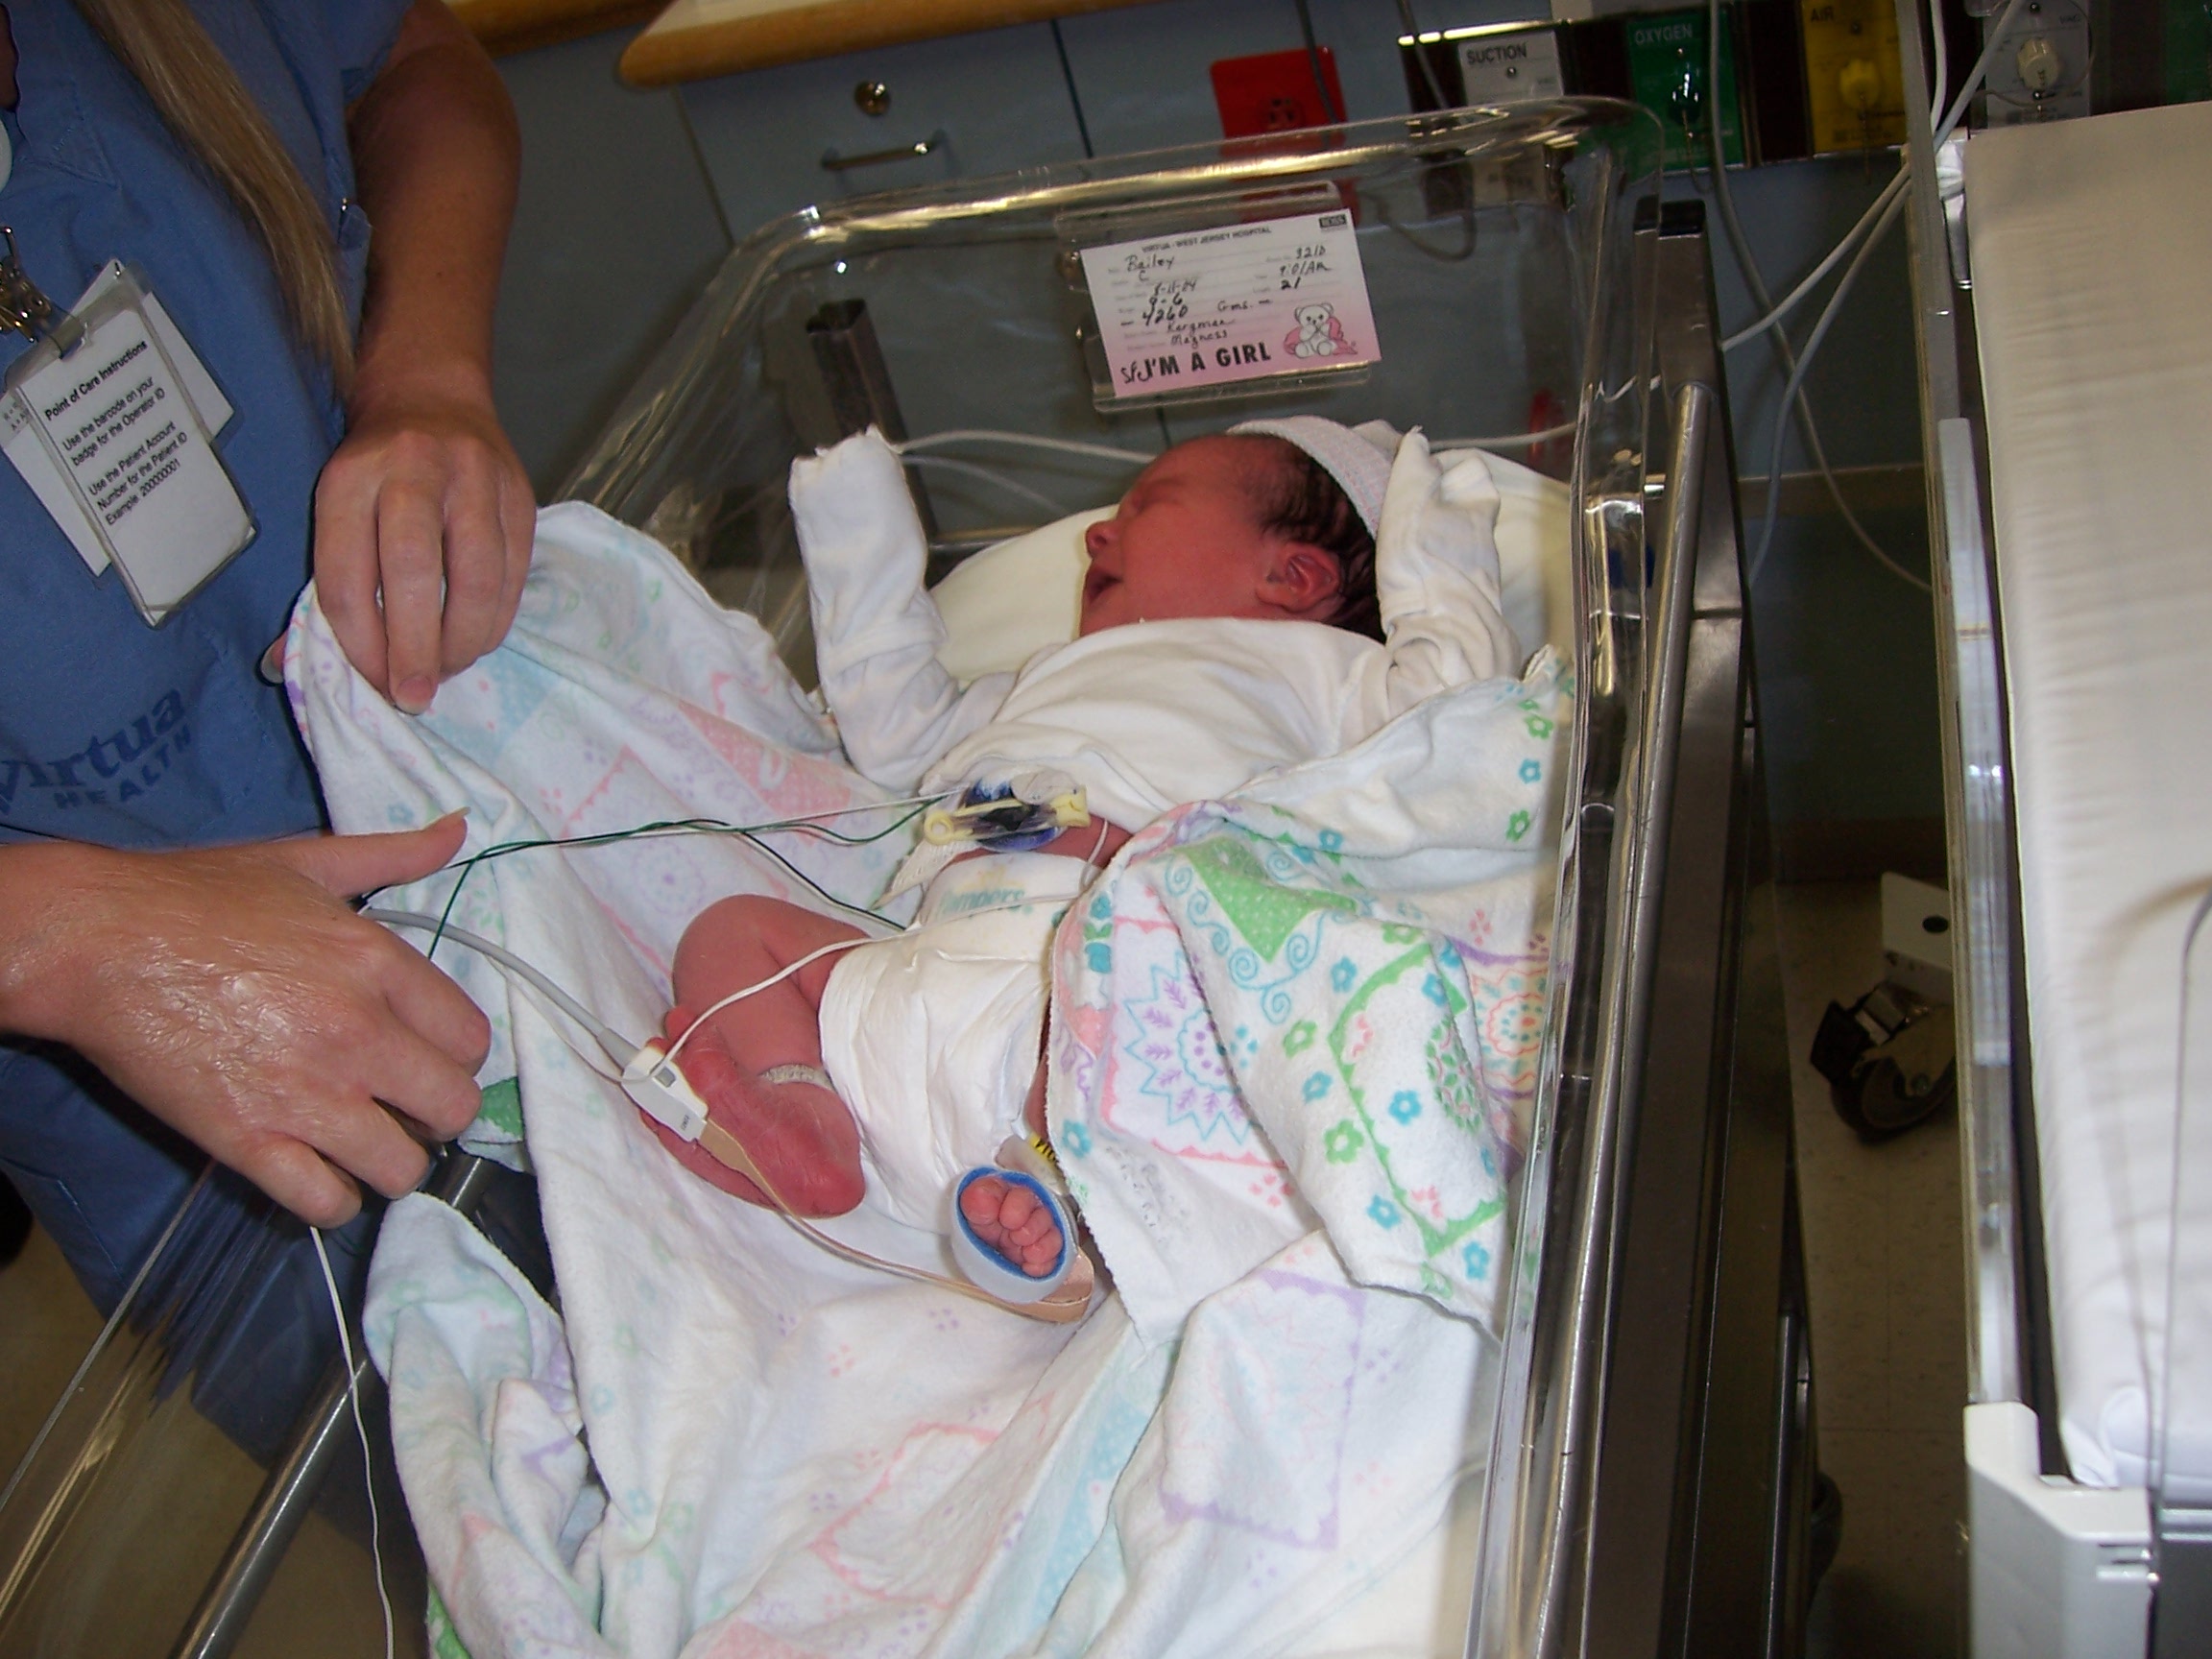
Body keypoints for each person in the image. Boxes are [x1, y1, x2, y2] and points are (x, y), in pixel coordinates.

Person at [646, 417, 1520, 1278]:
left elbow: (1458, 714)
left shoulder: (1324, 674)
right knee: (732, 932)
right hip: (923, 985)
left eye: (1148, 507)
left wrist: (1431, 525)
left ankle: (1067, 1184)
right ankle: (806, 1114)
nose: (1098, 533)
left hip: (1097, 994)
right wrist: (852, 510)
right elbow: (897, 730)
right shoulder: (1042, 678)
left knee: (1170, 958)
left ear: (1292, 576)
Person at [0, 0, 529, 1330]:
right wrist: (52, 937)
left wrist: (424, 371)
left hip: (486, 788)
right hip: (169, 1122)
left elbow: (412, 57)